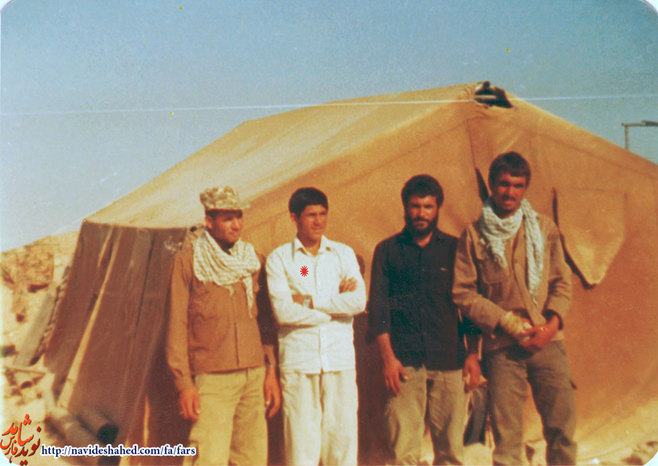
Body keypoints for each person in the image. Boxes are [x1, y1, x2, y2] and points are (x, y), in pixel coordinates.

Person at [453, 152, 577, 465]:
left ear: (525, 188)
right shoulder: (474, 235)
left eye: (518, 185)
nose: (510, 192)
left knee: (562, 428)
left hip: (547, 342)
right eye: (504, 184)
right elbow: (463, 293)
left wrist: (549, 327)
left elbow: (562, 283)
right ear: (492, 185)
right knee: (507, 439)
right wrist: (505, 321)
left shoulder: (544, 229)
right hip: (502, 347)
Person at [367, 174, 481, 465]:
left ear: (438, 208)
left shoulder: (455, 249)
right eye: (415, 206)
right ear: (405, 207)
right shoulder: (387, 250)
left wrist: (472, 354)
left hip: (449, 360)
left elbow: (469, 304)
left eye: (428, 207)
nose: (421, 213)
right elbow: (379, 308)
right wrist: (388, 359)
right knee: (404, 452)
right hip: (404, 362)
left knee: (451, 452)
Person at [166, 185, 281, 465]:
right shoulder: (189, 261)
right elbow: (177, 325)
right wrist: (184, 384)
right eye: (228, 218)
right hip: (213, 379)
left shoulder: (252, 260)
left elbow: (266, 321)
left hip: (253, 375)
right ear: (209, 221)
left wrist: (269, 370)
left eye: (239, 217)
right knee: (208, 457)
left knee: (252, 458)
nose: (236, 224)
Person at [265, 187, 366, 466]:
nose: (318, 221)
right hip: (300, 362)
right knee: (301, 444)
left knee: (342, 441)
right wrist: (333, 310)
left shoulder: (342, 254)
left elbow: (358, 301)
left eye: (323, 214)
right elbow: (283, 311)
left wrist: (309, 302)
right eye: (311, 215)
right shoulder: (282, 259)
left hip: (339, 360)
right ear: (294, 218)